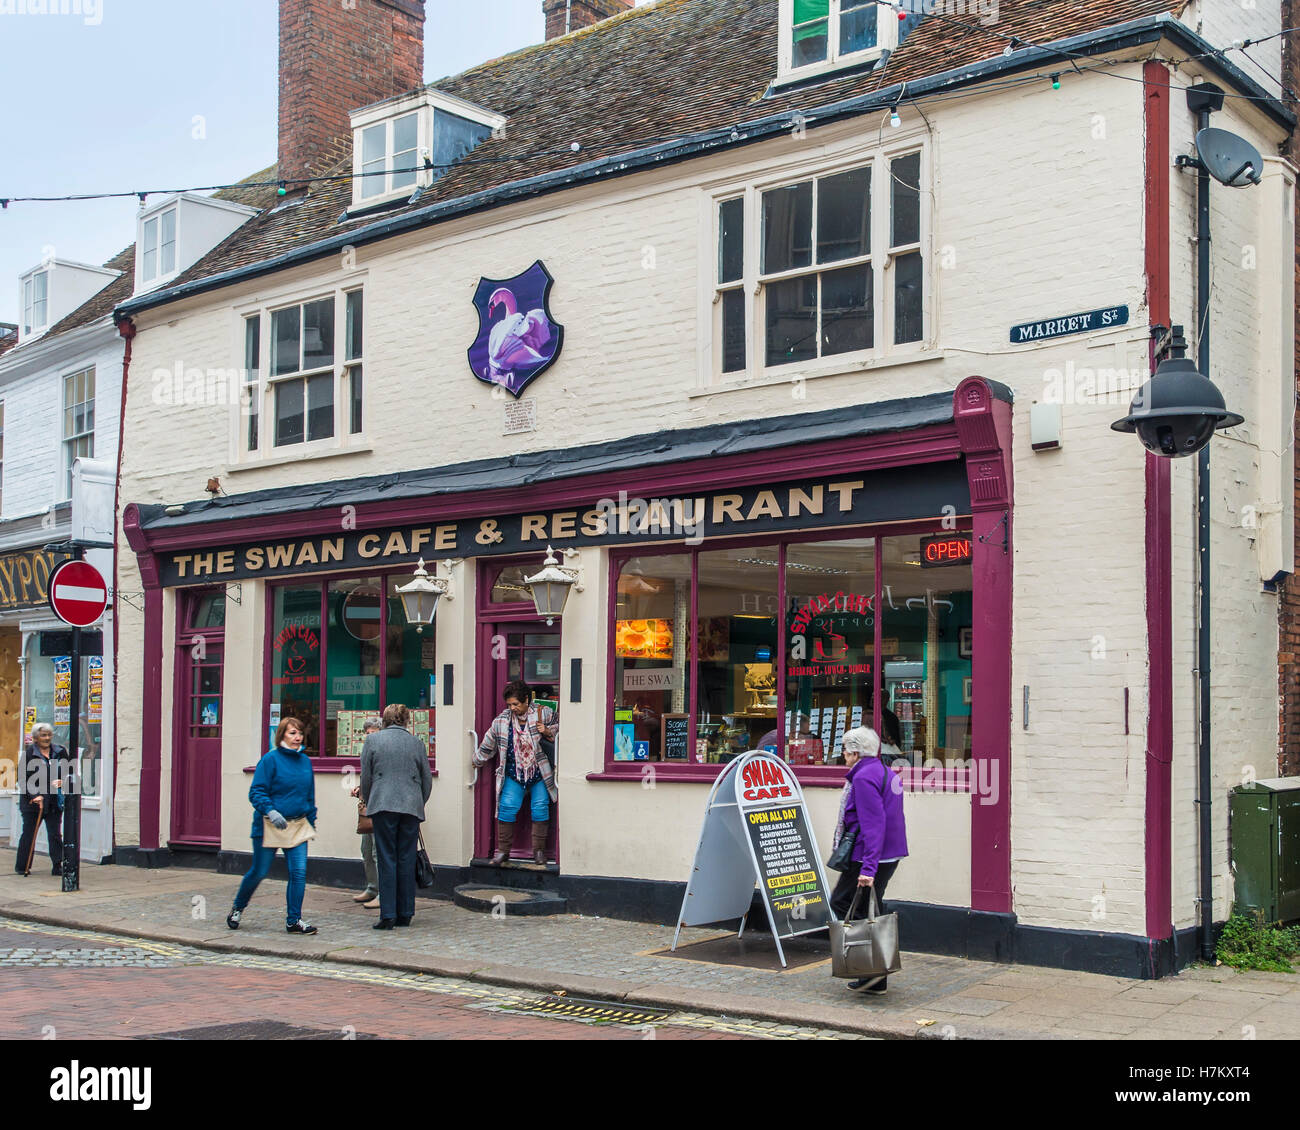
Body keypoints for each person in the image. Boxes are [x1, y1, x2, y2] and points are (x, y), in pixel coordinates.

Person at [828, 726, 908, 996]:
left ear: (854, 752)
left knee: (843, 903)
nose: (843, 755)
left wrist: (868, 869)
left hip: (868, 856)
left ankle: (870, 972)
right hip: (889, 854)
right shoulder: (885, 771)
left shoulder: (863, 777)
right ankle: (876, 975)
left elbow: (874, 825)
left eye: (844, 750)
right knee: (871, 908)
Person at [227, 717, 318, 934]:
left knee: (298, 873)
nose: (297, 737)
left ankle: (294, 920)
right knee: (259, 871)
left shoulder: (305, 762)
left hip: (296, 826)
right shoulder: (270, 760)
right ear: (282, 736)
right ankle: (238, 907)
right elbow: (256, 791)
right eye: (292, 733)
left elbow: (309, 796)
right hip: (269, 825)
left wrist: (311, 822)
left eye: (300, 733)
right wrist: (270, 810)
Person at [361, 703, 433, 930]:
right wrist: (418, 801)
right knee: (406, 858)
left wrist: (369, 798)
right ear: (406, 721)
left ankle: (388, 914)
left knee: (386, 858)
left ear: (385, 720)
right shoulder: (417, 743)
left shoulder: (373, 741)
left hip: (383, 805)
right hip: (411, 806)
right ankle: (406, 913)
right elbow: (427, 780)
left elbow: (366, 777)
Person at [473, 680, 558, 866]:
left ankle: (539, 853)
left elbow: (561, 734)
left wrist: (548, 731)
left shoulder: (544, 713)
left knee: (540, 807)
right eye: (509, 704)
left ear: (526, 700)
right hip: (514, 772)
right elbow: (489, 744)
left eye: (515, 704)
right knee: (507, 807)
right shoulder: (501, 721)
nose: (512, 708)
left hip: (539, 772)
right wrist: (476, 760)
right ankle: (503, 852)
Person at [15, 723, 70, 877]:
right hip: (32, 803)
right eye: (43, 735)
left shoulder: (60, 752)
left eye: (49, 735)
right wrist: (34, 795)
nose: (46, 738)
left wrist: (62, 781)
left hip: (53, 800)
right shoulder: (29, 754)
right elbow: (22, 779)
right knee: (29, 833)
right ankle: (22, 866)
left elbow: (68, 771)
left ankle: (58, 865)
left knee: (54, 834)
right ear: (35, 738)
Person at [350, 717, 383, 909]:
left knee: (377, 851)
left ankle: (382, 892)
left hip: (379, 806)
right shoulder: (368, 751)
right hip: (367, 808)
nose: (369, 737)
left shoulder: (382, 751)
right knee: (366, 850)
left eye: (373, 733)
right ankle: (372, 888)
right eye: (367, 734)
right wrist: (359, 789)